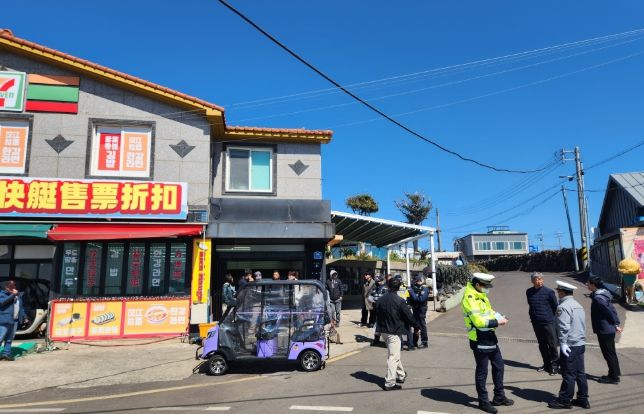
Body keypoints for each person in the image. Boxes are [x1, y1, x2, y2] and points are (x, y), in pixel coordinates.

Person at [462, 272, 514, 414]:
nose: (487, 289)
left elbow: (489, 311)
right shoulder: (470, 298)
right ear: (477, 285)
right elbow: (479, 322)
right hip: (479, 338)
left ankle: (499, 397)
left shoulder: (481, 295)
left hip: (490, 337)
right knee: (482, 371)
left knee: (499, 366)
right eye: (485, 286)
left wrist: (500, 316)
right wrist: (498, 322)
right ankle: (483, 401)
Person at [548, 281, 590, 410]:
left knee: (568, 373)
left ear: (562, 292)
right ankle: (583, 399)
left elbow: (563, 327)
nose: (558, 293)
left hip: (570, 344)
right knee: (580, 373)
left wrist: (563, 343)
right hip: (579, 343)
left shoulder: (563, 306)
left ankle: (565, 400)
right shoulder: (578, 305)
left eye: (558, 291)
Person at [374, 277, 418, 391]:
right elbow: (409, 316)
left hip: (383, 331)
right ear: (398, 288)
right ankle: (389, 383)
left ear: (388, 286)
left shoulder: (381, 299)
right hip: (393, 331)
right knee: (393, 357)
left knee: (394, 354)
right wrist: (416, 326)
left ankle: (401, 374)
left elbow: (376, 314)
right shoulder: (400, 301)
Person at [587, 276, 622, 385]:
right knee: (611, 352)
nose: (587, 284)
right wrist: (616, 323)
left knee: (608, 353)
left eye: (588, 283)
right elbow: (611, 309)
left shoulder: (599, 298)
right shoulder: (602, 294)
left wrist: (616, 323)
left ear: (593, 285)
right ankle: (614, 373)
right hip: (607, 328)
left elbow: (609, 311)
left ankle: (613, 377)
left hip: (605, 329)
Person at [526, 272, 559, 375]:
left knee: (552, 344)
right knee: (542, 344)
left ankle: (555, 365)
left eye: (541, 279)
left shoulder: (549, 292)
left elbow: (555, 307)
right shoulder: (529, 292)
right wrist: (532, 317)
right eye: (537, 279)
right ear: (532, 281)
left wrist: (551, 319)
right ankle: (546, 364)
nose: (540, 281)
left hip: (548, 322)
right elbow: (531, 305)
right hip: (536, 322)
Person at [0, 280, 27, 361]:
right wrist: (13, 295)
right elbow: (2, 303)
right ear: (6, 287)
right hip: (4, 320)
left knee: (9, 339)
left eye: (14, 285)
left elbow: (21, 307)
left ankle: (6, 354)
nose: (13, 287)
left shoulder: (18, 295)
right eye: (11, 286)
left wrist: (24, 316)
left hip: (14, 320)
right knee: (0, 337)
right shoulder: (2, 294)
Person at [408, 274, 430, 349]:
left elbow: (420, 299)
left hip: (421, 309)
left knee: (422, 325)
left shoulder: (424, 289)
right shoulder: (414, 288)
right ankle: (414, 342)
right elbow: (411, 298)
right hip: (415, 308)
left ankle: (424, 342)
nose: (418, 282)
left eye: (419, 280)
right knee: (415, 325)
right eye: (416, 281)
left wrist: (412, 293)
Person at [369, 274, 388, 346]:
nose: (377, 282)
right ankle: (376, 340)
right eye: (376, 281)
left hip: (384, 310)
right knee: (377, 324)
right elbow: (370, 297)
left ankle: (387, 341)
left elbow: (386, 299)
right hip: (377, 309)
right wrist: (373, 300)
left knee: (386, 325)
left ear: (382, 280)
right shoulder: (375, 288)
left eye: (378, 281)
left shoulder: (385, 288)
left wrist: (379, 301)